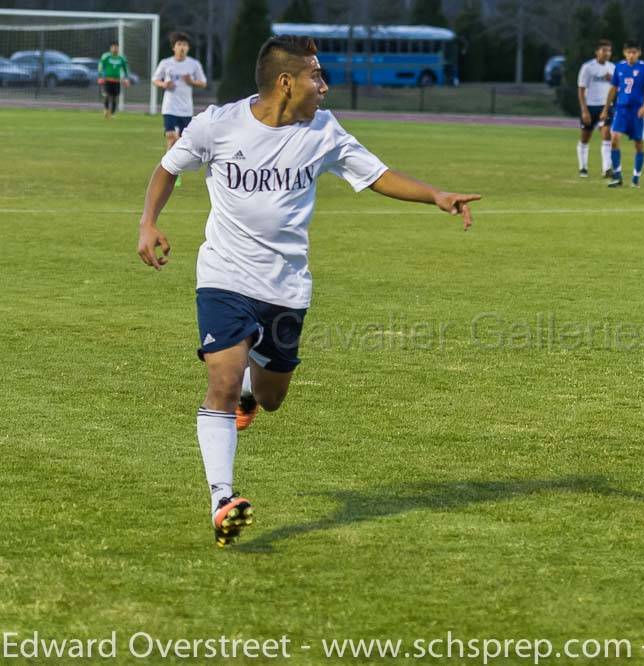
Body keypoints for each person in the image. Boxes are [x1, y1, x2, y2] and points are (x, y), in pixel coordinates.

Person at [136, 35, 481, 548]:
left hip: (286, 286)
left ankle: (255, 392)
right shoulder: (219, 124)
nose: (324, 86)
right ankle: (222, 498)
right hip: (224, 276)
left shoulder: (323, 131)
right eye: (316, 76)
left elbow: (378, 175)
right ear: (285, 82)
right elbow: (169, 168)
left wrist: (435, 195)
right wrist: (148, 223)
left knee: (270, 397)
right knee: (223, 380)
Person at [152, 31, 207, 185]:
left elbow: (203, 83)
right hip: (169, 107)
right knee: (171, 137)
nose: (182, 47)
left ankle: (175, 170)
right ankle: (169, 171)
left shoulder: (193, 64)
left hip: (186, 110)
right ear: (173, 47)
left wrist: (191, 81)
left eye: (185, 45)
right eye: (179, 44)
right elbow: (155, 79)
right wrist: (164, 84)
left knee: (182, 141)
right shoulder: (166, 63)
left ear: (188, 48)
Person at [602, 40, 644, 188]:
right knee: (614, 138)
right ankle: (617, 176)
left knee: (638, 144)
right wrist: (606, 108)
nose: (631, 55)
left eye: (634, 52)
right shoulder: (619, 67)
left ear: (639, 53)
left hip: (637, 111)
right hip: (621, 109)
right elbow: (613, 88)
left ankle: (636, 177)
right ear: (625, 53)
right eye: (629, 52)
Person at [576, 39, 615, 178]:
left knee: (607, 135)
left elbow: (617, 88)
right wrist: (584, 110)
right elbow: (581, 90)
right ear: (597, 52)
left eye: (609, 51)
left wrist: (613, 80)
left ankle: (606, 169)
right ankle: (583, 168)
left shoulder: (612, 68)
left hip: (606, 107)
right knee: (585, 138)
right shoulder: (588, 67)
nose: (607, 53)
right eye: (604, 50)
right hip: (590, 107)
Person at [97, 41, 130, 120]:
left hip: (117, 81)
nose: (115, 48)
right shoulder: (106, 56)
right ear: (110, 48)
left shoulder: (121, 58)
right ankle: (106, 109)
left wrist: (126, 78)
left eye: (116, 47)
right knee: (107, 95)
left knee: (115, 97)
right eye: (113, 47)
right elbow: (101, 66)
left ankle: (112, 113)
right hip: (108, 80)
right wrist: (100, 76)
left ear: (118, 48)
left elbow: (126, 69)